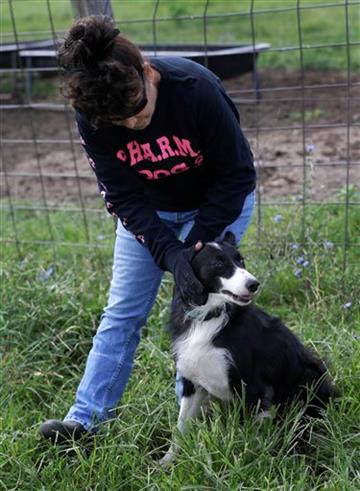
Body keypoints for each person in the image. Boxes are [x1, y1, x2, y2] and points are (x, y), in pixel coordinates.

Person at [40, 15, 256, 443]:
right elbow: (122, 197)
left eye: (138, 110)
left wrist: (194, 247)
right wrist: (169, 252)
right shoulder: (95, 115)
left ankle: (194, 417)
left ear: (148, 72)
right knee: (122, 312)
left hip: (215, 203)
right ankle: (84, 421)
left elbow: (237, 174)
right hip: (151, 213)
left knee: (195, 303)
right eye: (121, 123)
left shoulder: (196, 90)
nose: (134, 125)